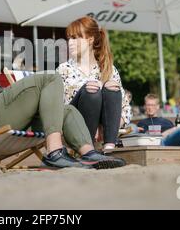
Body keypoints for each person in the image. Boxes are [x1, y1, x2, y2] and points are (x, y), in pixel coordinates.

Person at [0, 30, 126, 169]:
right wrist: (20, 94)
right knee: (50, 78)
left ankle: (89, 154)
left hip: (8, 118)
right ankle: (54, 151)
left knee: (67, 110)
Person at [56, 16, 131, 153]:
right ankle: (87, 150)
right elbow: (58, 109)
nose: (70, 43)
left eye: (75, 38)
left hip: (103, 131)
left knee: (111, 87)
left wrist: (106, 125)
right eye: (69, 38)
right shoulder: (63, 69)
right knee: (91, 89)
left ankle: (109, 149)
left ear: (90, 40)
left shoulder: (108, 69)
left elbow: (125, 111)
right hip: (72, 127)